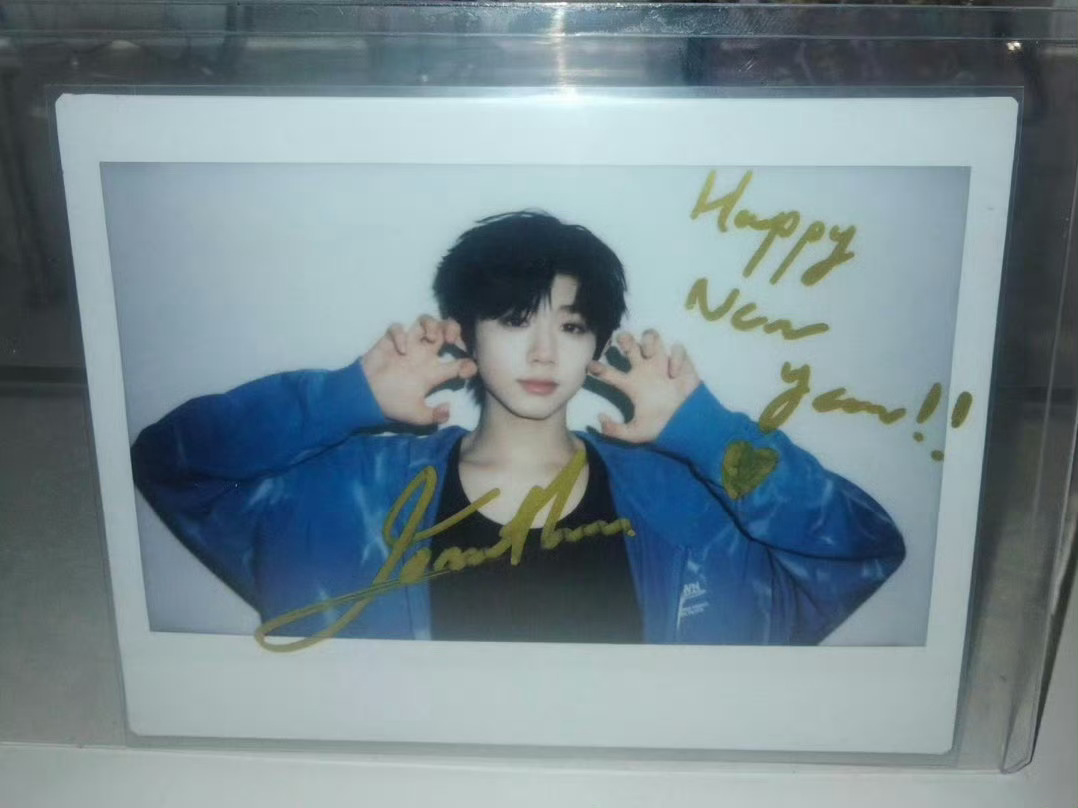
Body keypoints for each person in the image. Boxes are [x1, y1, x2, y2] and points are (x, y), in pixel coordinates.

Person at [131, 211, 905, 649]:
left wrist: (707, 432)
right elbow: (173, 462)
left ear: (596, 345)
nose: (542, 353)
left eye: (570, 326)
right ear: (465, 330)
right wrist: (344, 397)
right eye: (512, 320)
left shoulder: (686, 504)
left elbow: (860, 547)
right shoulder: (354, 493)